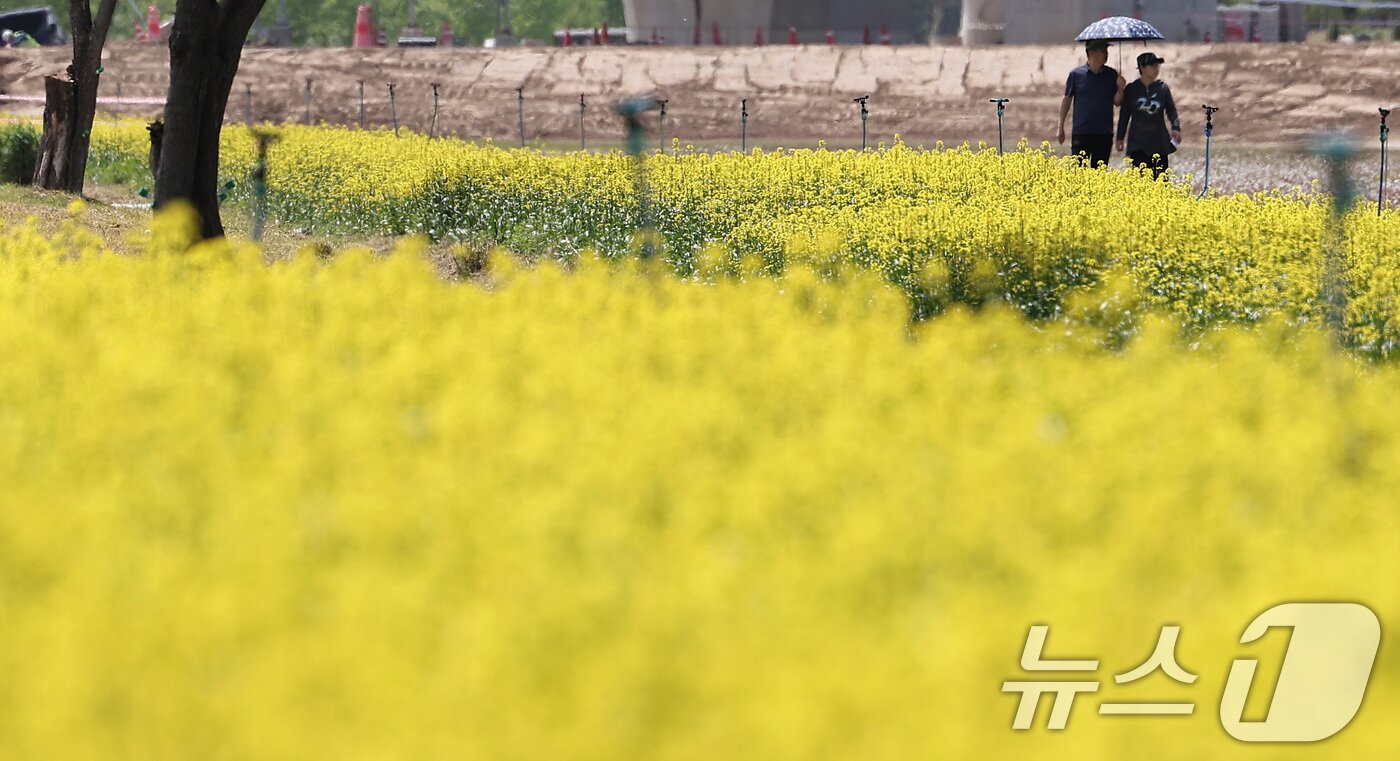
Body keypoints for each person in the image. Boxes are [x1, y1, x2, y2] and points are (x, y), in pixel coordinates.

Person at [1057, 40, 1126, 168]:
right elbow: (1067, 100)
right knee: (1078, 173)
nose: (1106, 54)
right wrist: (1060, 127)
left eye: (1106, 51)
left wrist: (1120, 88)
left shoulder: (1111, 75)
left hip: (1104, 133)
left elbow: (1117, 102)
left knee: (1099, 174)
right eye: (1103, 51)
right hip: (1081, 132)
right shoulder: (1076, 75)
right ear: (1091, 53)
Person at [1117, 52, 1182, 179]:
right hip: (1138, 143)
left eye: (1157, 65)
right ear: (1142, 67)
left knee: (1161, 181)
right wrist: (1120, 137)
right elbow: (1124, 115)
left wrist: (1176, 128)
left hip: (1159, 141)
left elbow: (1171, 110)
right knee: (1140, 182)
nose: (1156, 69)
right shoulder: (1131, 89)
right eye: (1152, 65)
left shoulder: (1162, 88)